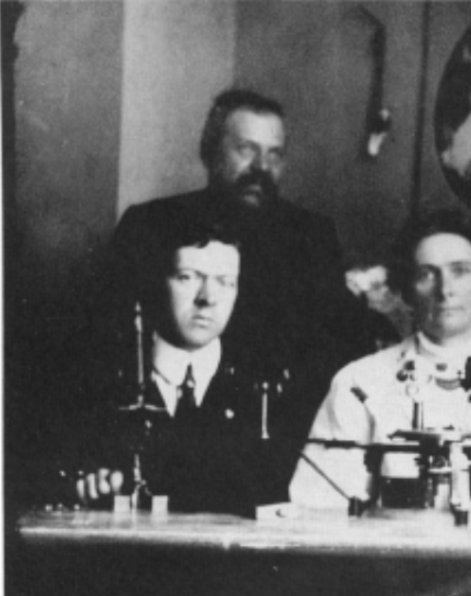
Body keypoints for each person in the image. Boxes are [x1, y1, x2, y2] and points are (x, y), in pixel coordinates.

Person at [102, 88, 373, 431]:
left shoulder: (311, 236)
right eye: (246, 149)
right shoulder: (152, 224)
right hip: (165, 420)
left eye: (275, 154)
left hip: (272, 428)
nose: (262, 167)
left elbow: (333, 351)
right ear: (210, 151)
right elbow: (110, 338)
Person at [288, 208, 471, 514]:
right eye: (426, 274)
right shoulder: (358, 383)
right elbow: (316, 506)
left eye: (460, 271)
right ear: (408, 291)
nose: (445, 290)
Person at [75, 222, 297, 515]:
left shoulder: (265, 389)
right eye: (187, 277)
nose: (208, 298)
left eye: (226, 282)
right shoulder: (99, 380)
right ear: (154, 282)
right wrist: (90, 486)